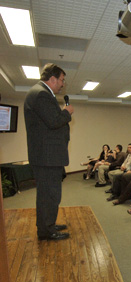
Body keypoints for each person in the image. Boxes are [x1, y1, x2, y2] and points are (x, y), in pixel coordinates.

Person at [24, 63, 73, 241]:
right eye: (61, 80)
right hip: (46, 158)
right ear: (52, 79)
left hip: (47, 157)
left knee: (49, 194)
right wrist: (67, 112)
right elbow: (54, 121)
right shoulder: (41, 94)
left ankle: (48, 224)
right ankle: (46, 231)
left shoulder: (39, 93)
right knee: (49, 195)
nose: (62, 84)